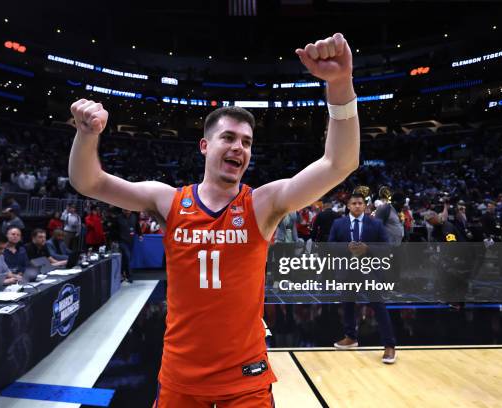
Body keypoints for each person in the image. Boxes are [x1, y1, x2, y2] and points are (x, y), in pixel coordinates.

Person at [68, 33, 359, 407]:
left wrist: (340, 85)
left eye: (247, 142)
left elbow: (340, 163)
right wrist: (86, 134)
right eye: (229, 137)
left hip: (246, 380)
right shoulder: (169, 201)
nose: (239, 147)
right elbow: (88, 181)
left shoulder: (262, 204)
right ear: (205, 146)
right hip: (180, 378)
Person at [329, 192, 397, 364]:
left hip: (370, 270)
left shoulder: (376, 224)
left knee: (379, 307)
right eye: (354, 203)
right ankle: (350, 337)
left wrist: (368, 248)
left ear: (365, 206)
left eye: (360, 203)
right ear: (348, 206)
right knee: (348, 306)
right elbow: (329, 246)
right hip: (347, 270)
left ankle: (389, 346)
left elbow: (387, 248)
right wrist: (347, 247)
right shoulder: (338, 224)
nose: (357, 205)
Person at [116, 209, 142, 283]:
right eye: (125, 211)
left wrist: (140, 234)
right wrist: (114, 240)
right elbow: (114, 229)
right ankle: (128, 275)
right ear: (122, 211)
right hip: (121, 241)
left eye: (128, 211)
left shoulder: (134, 217)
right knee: (127, 256)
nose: (127, 212)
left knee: (127, 258)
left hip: (130, 240)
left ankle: (122, 274)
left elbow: (137, 226)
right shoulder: (118, 218)